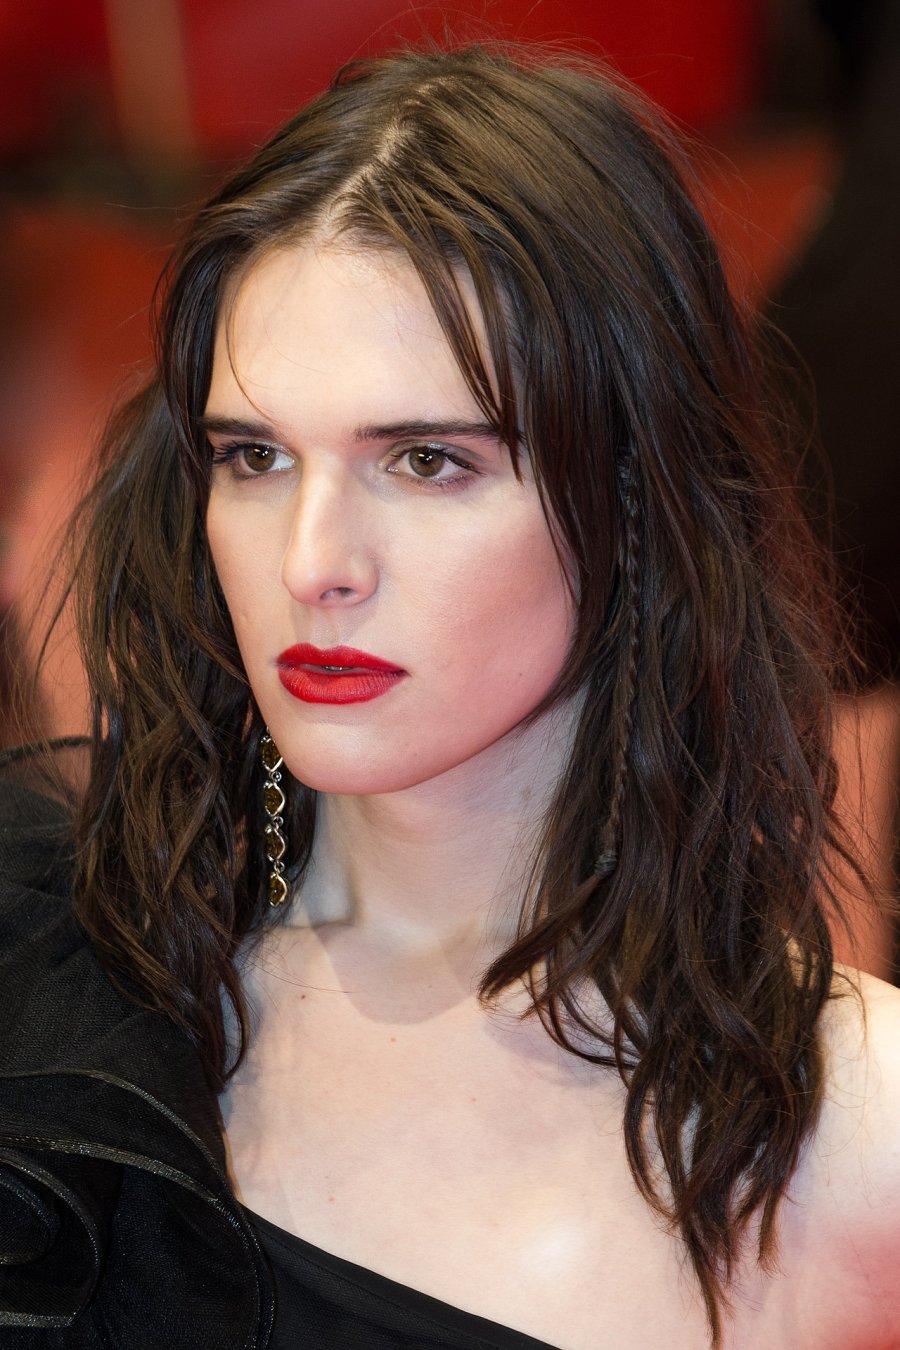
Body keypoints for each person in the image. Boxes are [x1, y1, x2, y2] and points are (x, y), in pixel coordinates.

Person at [1, 42, 898, 1350]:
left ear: (634, 499)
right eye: (253, 457)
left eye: (426, 460)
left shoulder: (854, 1137)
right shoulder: (57, 991)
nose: (312, 563)